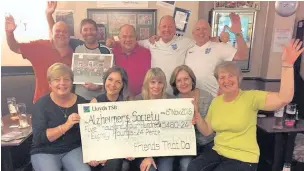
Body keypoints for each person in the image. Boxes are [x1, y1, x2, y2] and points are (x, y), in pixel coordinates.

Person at [187, 39, 304, 171]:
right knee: (193, 167)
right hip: (218, 152)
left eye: (230, 76)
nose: (226, 80)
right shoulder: (216, 101)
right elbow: (207, 130)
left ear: (239, 78)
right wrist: (198, 118)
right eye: (222, 77)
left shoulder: (250, 97)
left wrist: (287, 65)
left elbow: (284, 98)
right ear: (218, 81)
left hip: (243, 157)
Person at [45, 1, 112, 100]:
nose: (89, 32)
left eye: (92, 29)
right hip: (79, 98)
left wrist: (98, 86)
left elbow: (111, 77)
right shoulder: (75, 45)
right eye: (85, 29)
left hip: (100, 97)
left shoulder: (106, 50)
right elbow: (58, 33)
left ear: (97, 32)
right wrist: (49, 15)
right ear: (81, 32)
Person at [31, 63, 90, 171]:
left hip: (72, 149)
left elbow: (91, 130)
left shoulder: (82, 103)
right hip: (45, 150)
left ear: (72, 82)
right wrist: (66, 125)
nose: (62, 83)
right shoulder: (41, 104)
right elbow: (39, 138)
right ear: (50, 83)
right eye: (57, 79)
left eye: (66, 79)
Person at [5, 14, 73, 103]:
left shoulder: (75, 53)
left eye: (65, 32)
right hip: (42, 103)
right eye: (58, 31)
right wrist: (9, 33)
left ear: (69, 35)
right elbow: (15, 47)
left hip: (67, 103)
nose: (61, 34)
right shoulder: (40, 46)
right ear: (52, 33)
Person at [185, 13, 249, 97]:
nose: (201, 32)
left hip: (213, 98)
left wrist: (238, 33)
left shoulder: (219, 46)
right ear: (193, 33)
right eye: (198, 29)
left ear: (210, 32)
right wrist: (218, 38)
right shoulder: (188, 48)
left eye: (204, 29)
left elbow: (242, 55)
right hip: (192, 98)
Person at [169, 65, 215, 171]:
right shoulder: (173, 102)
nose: (183, 83)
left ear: (192, 79)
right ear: (175, 84)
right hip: (185, 146)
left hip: (207, 142)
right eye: (179, 80)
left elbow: (212, 127)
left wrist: (198, 117)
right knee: (186, 165)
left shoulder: (206, 97)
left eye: (186, 79)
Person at [89, 66, 128, 171]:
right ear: (105, 81)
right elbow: (90, 133)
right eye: (110, 79)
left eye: (118, 82)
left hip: (117, 150)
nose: (112, 84)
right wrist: (95, 154)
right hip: (98, 149)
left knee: (115, 161)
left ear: (122, 85)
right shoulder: (95, 102)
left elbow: (125, 136)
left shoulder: (126, 106)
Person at [111, 24, 151, 97]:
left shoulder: (146, 53)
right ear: (119, 38)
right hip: (118, 98)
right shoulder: (112, 53)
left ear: (136, 38)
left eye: (131, 36)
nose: (128, 39)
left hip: (142, 98)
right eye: (124, 36)